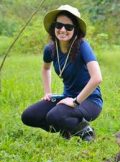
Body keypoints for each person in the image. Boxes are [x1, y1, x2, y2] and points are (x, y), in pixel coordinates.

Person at [21, 5, 103, 141]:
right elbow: (45, 68)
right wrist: (47, 92)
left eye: (68, 27)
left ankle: (85, 131)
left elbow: (97, 78)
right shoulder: (50, 49)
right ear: (54, 27)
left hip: (89, 101)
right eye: (59, 25)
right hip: (67, 98)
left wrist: (76, 102)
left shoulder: (82, 46)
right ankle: (67, 128)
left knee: (54, 115)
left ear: (75, 30)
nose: (63, 30)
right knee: (29, 116)